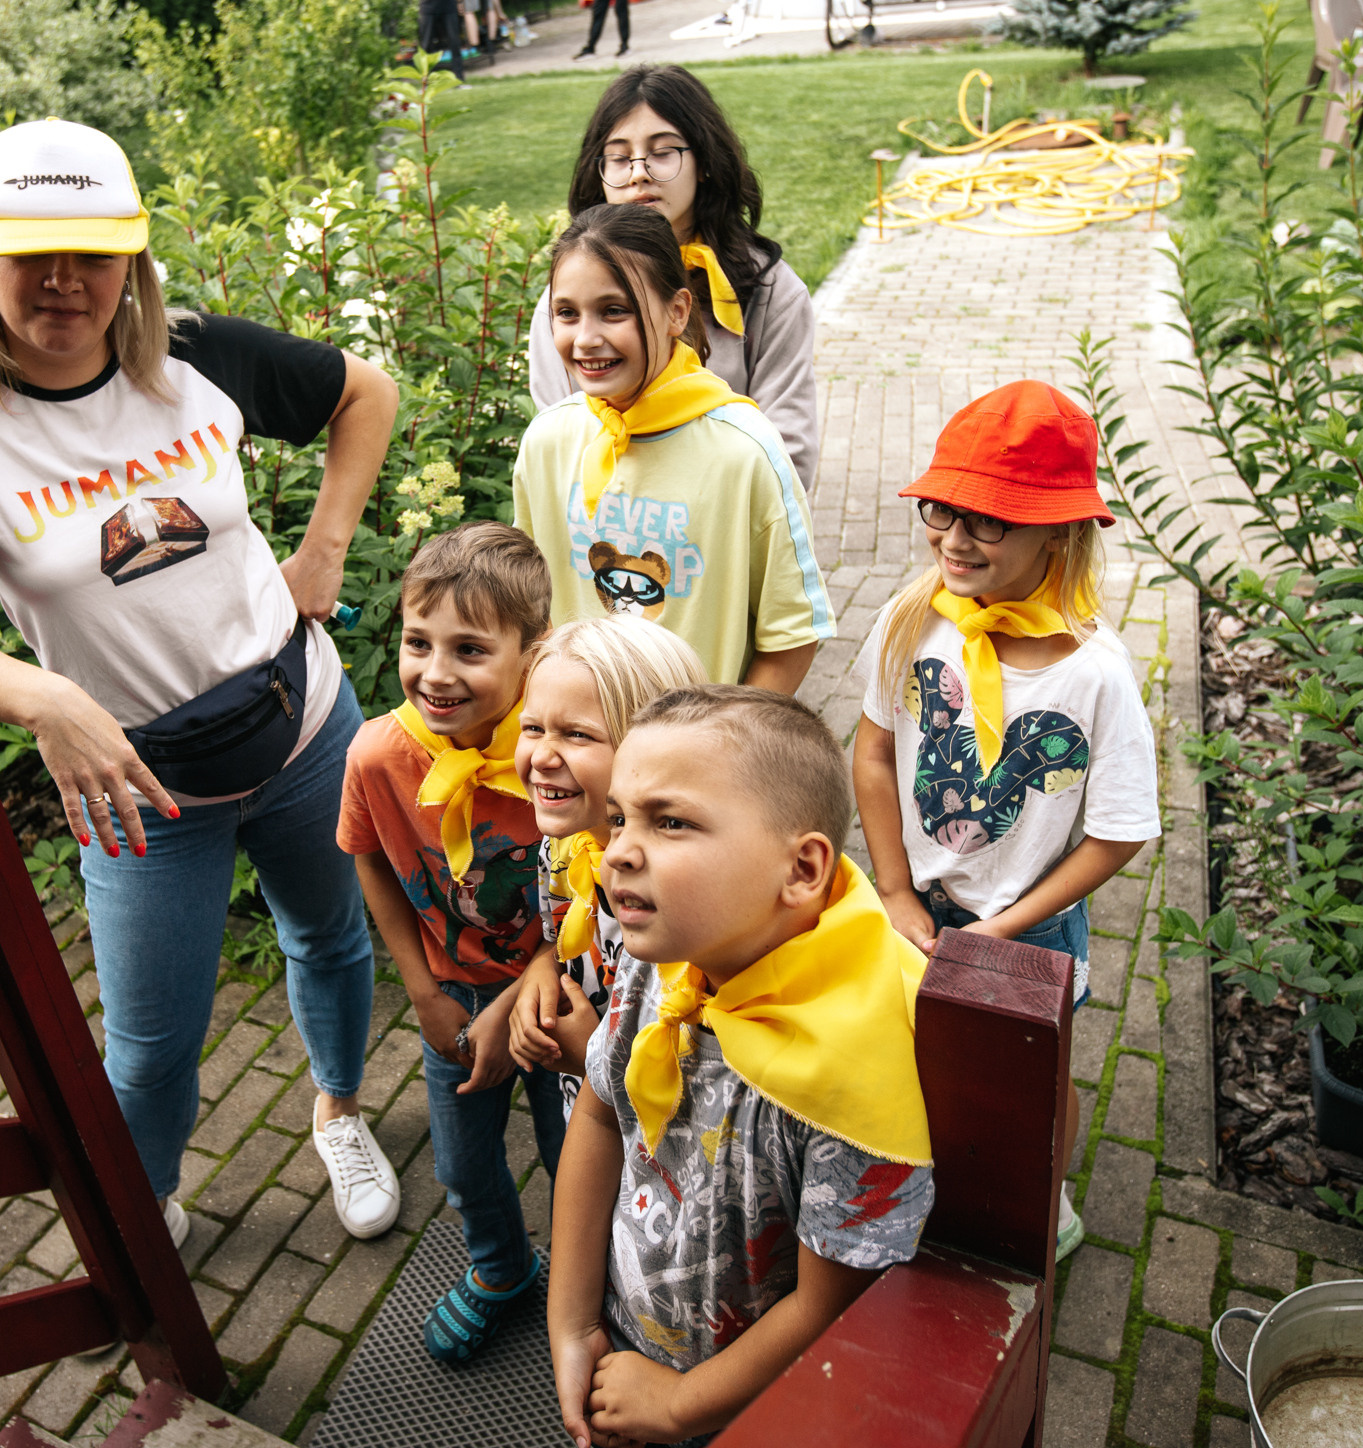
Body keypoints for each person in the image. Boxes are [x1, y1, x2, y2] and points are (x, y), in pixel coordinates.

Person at [0, 118, 405, 1253]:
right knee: (149, 1045)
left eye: (92, 252)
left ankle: (340, 1111)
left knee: (334, 940)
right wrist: (44, 700)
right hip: (139, 788)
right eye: (29, 253)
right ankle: (145, 1211)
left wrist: (324, 554)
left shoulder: (195, 357)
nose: (62, 281)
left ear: (132, 261)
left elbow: (367, 393)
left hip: (303, 729)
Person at [549, 685, 936, 1448]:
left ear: (801, 870)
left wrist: (681, 1406)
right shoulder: (665, 956)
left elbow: (834, 1301)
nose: (618, 847)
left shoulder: (856, 1059)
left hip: (757, 1402)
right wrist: (571, 1322)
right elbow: (599, 1113)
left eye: (671, 822)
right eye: (621, 816)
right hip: (627, 1339)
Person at [850, 379, 1161, 1261]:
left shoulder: (1095, 674)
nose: (954, 537)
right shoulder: (911, 621)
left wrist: (1001, 931)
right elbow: (872, 753)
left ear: (1059, 530)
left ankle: (1040, 1191)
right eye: (942, 510)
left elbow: (1121, 832)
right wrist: (896, 890)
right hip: (916, 907)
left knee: (1030, 1076)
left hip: (1027, 925)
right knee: (920, 1055)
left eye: (989, 521)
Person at [337, 521, 565, 1362]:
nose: (435, 673)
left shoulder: (561, 759)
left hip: (560, 995)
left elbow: (599, 886)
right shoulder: (376, 757)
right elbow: (370, 864)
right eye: (418, 642)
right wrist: (424, 993)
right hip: (455, 999)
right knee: (464, 1168)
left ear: (530, 656)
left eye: (470, 649)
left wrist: (531, 985)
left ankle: (591, 1290)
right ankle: (501, 1271)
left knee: (571, 1155)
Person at [511, 203, 831, 693]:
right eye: (567, 314)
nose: (586, 339)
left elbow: (792, 634)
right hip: (570, 749)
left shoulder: (743, 451)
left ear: (677, 312)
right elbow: (530, 607)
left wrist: (721, 742)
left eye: (614, 310)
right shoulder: (548, 441)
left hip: (694, 753)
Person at [528, 65, 821, 493]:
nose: (638, 173)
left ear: (703, 162)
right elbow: (558, 444)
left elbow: (789, 455)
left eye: (662, 152)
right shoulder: (564, 304)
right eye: (620, 157)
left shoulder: (771, 291)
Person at [506, 616, 707, 1125]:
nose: (543, 755)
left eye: (576, 734)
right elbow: (559, 940)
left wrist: (592, 1063)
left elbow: (701, 1075)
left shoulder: (684, 898)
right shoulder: (564, 849)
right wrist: (541, 969)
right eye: (532, 728)